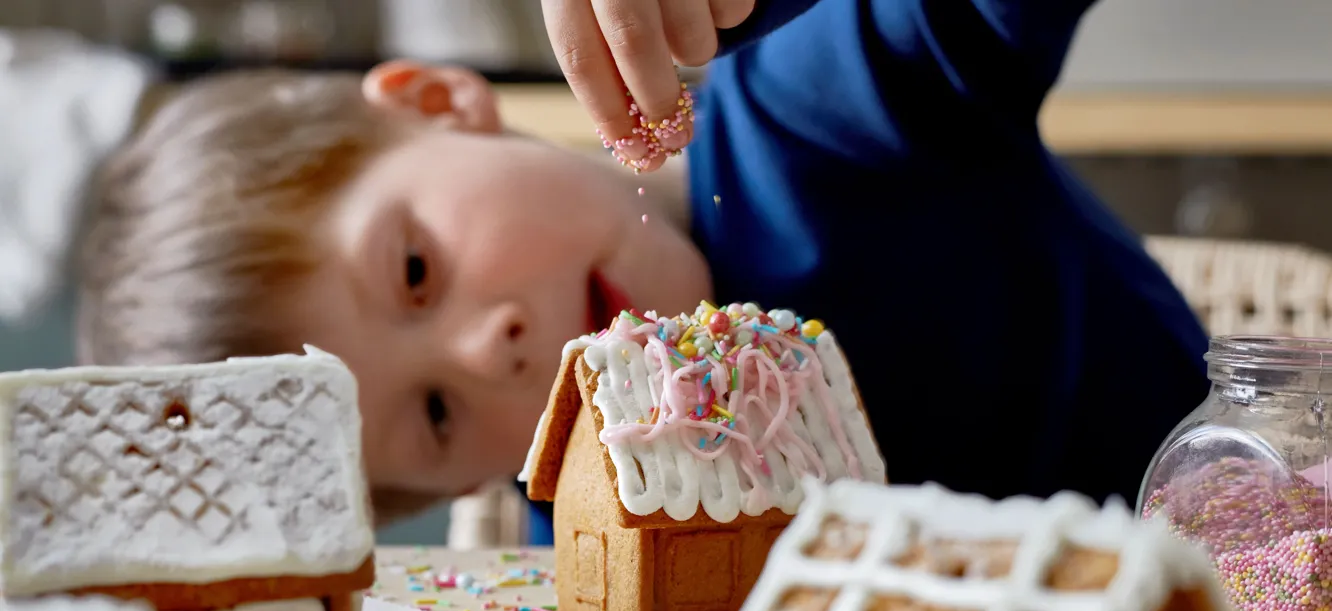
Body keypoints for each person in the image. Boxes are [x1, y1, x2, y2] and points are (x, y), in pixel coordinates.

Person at [77, 0, 1208, 531]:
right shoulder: (586, 531)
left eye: (415, 271)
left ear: (439, 103)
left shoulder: (816, 119)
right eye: (431, 412)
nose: (489, 348)